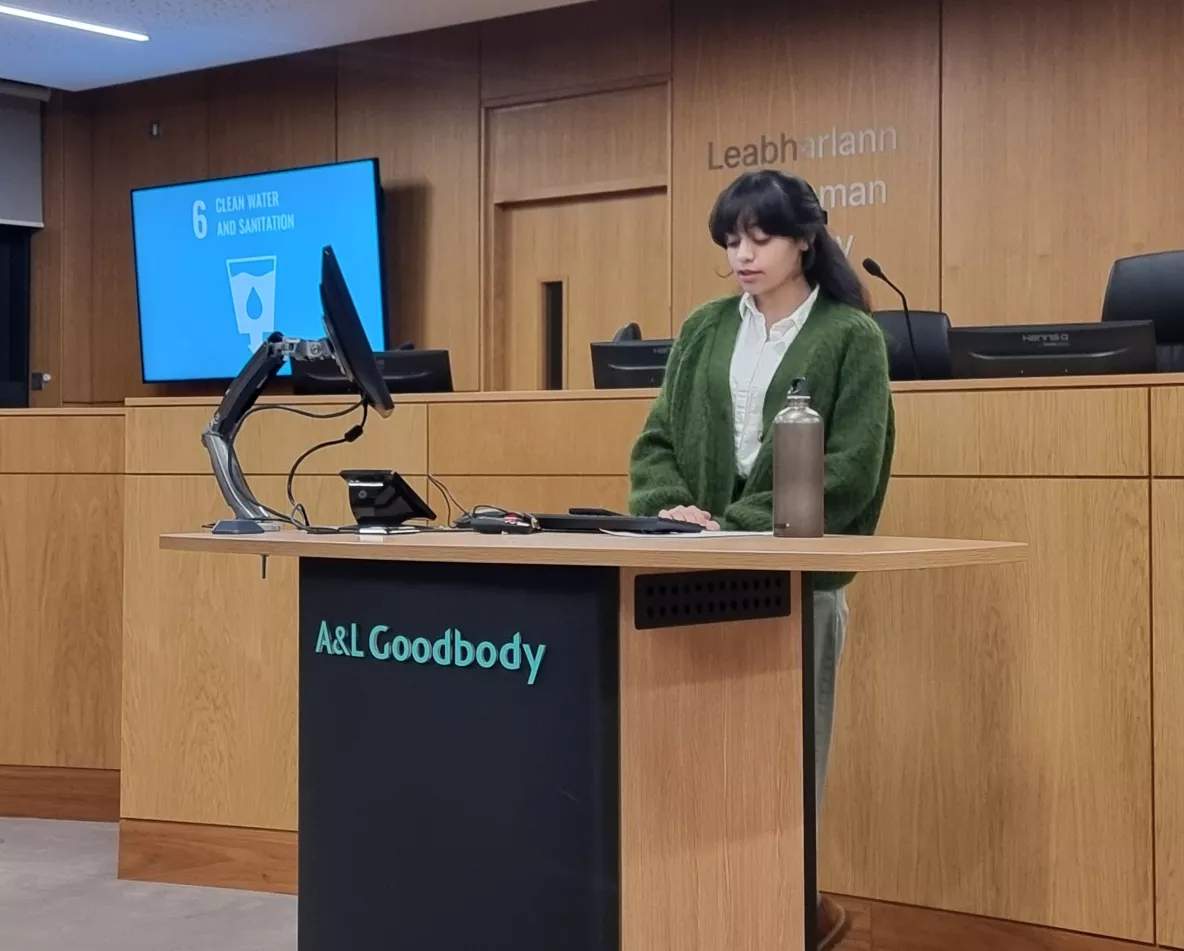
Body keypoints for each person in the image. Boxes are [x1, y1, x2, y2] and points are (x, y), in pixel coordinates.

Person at [627, 168, 894, 951]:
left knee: (784, 769)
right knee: (695, 763)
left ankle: (785, 915)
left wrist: (729, 526)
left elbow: (849, 469)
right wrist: (673, 515)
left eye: (760, 236)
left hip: (793, 585)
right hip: (698, 580)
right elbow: (655, 443)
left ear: (805, 240)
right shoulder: (707, 326)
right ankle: (701, 913)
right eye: (731, 240)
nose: (742, 253)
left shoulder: (851, 335)